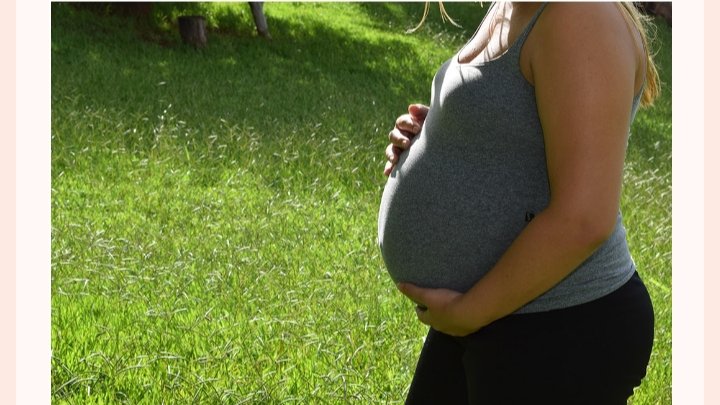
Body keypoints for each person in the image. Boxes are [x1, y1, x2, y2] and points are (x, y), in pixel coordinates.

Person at [377, 2, 660, 404]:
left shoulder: (580, 15)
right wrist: (436, 134)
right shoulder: (513, 6)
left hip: (559, 327)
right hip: (493, 311)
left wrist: (470, 312)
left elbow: (584, 218)